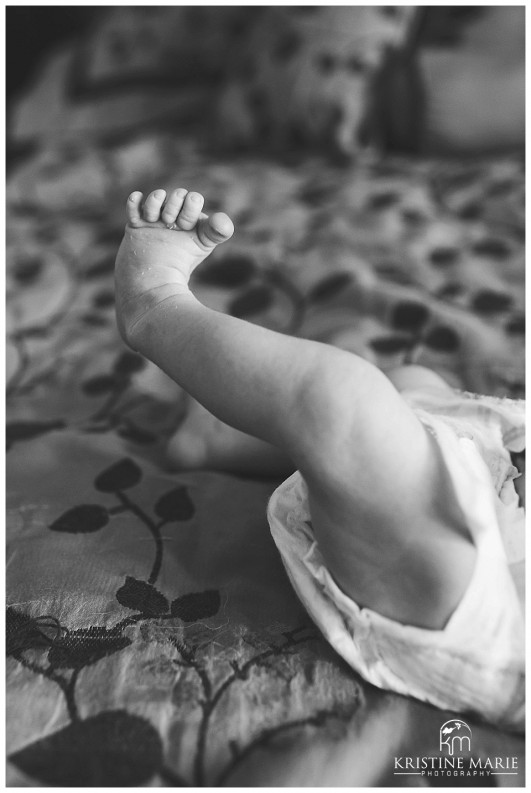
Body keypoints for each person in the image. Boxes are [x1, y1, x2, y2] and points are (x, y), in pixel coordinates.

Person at [115, 187, 525, 729]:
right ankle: (216, 439)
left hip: (484, 605)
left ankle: (153, 306)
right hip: (490, 466)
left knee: (344, 400)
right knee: (416, 385)